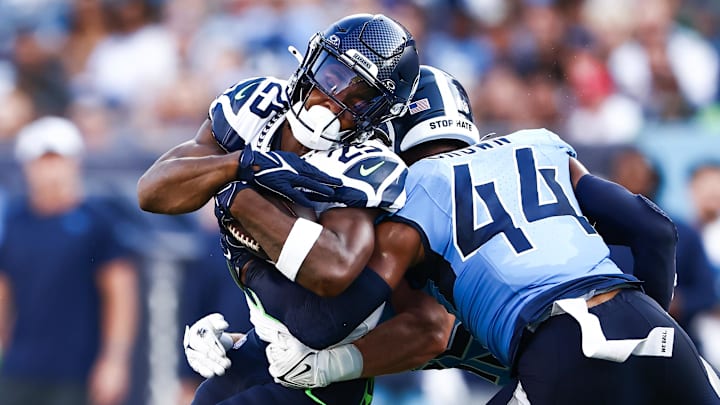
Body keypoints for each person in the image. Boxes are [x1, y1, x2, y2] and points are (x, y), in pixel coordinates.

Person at [263, 91, 720, 402]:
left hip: (560, 348)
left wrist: (307, 353)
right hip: (655, 332)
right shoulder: (536, 146)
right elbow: (655, 230)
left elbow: (334, 321)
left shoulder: (411, 194)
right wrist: (644, 321)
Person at [137, 13, 421, 404]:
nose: (333, 101)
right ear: (310, 62)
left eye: (359, 100)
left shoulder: (364, 162)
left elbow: (331, 271)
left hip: (322, 371)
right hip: (262, 343)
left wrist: (239, 197)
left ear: (378, 114)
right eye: (333, 77)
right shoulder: (255, 108)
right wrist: (241, 164)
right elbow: (152, 192)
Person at [0, 117, 140, 405]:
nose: (50, 170)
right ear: (28, 167)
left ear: (74, 163)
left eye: (57, 160)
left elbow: (120, 294)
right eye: (42, 161)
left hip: (77, 370)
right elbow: (4, 290)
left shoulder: (97, 220)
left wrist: (114, 361)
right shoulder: (13, 220)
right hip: (19, 367)